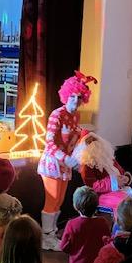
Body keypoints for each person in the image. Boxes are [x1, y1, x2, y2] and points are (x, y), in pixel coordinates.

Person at [37, 71, 97, 251]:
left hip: (66, 164)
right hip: (53, 162)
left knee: (59, 200)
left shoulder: (76, 116)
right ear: (66, 95)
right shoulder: (57, 114)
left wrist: (85, 141)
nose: (75, 100)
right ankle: (46, 237)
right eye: (72, 96)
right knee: (52, 199)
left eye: (79, 97)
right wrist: (67, 159)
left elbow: (73, 139)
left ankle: (51, 234)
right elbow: (49, 143)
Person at [72, 130, 132, 214]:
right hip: (104, 195)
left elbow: (121, 171)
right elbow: (92, 186)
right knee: (126, 204)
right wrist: (114, 182)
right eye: (90, 142)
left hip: (121, 190)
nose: (94, 144)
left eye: (94, 140)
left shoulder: (108, 157)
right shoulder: (87, 165)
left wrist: (126, 178)